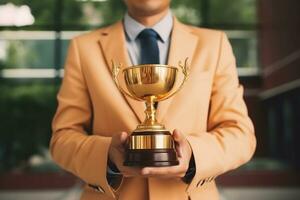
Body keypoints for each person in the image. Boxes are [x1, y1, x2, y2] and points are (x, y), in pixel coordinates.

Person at [50, 0, 256, 199]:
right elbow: (62, 139)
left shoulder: (214, 44)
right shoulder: (83, 48)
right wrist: (106, 156)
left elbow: (240, 134)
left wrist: (194, 155)